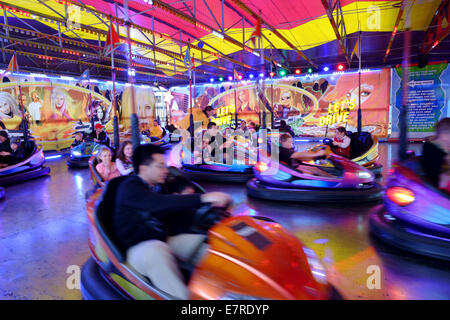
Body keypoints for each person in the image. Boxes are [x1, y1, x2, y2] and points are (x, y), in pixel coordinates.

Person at [112, 144, 231, 299]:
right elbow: (158, 203)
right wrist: (203, 198)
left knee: (208, 244)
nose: (165, 170)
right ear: (143, 168)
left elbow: (174, 210)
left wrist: (211, 216)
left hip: (163, 239)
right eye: (160, 166)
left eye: (165, 165)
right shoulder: (129, 187)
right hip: (137, 249)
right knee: (157, 251)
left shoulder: (158, 187)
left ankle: (233, 290)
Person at [420, 118, 450, 192]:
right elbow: (437, 178)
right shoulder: (431, 150)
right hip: (436, 190)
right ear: (444, 136)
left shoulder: (445, 147)